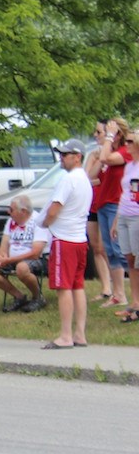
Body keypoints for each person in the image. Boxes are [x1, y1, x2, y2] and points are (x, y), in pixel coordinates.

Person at [34, 139, 92, 349]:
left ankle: (66, 335)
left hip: (64, 239)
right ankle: (80, 334)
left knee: (63, 287)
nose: (62, 158)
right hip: (79, 239)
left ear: (77, 157)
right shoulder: (84, 179)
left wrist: (45, 224)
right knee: (77, 286)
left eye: (66, 155)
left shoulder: (68, 180)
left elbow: (53, 209)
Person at [0, 195, 49, 312]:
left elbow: (36, 253)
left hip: (38, 260)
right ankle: (19, 297)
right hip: (12, 260)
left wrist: (9, 260)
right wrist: (1, 257)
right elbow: (4, 245)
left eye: (11, 209)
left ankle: (38, 297)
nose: (8, 212)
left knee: (21, 268)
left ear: (23, 211)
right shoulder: (11, 222)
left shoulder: (38, 222)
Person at [88, 118, 131, 310]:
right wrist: (98, 155)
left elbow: (106, 159)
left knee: (120, 251)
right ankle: (118, 294)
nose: (101, 136)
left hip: (116, 205)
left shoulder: (124, 153)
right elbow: (92, 176)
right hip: (103, 205)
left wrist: (109, 140)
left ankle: (128, 295)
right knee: (111, 251)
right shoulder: (109, 152)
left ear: (118, 134)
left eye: (105, 132)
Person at [111, 135, 139, 322]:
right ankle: (135, 302)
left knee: (138, 260)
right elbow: (124, 193)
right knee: (129, 258)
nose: (126, 144)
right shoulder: (129, 166)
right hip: (125, 214)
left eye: (130, 141)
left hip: (137, 216)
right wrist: (116, 220)